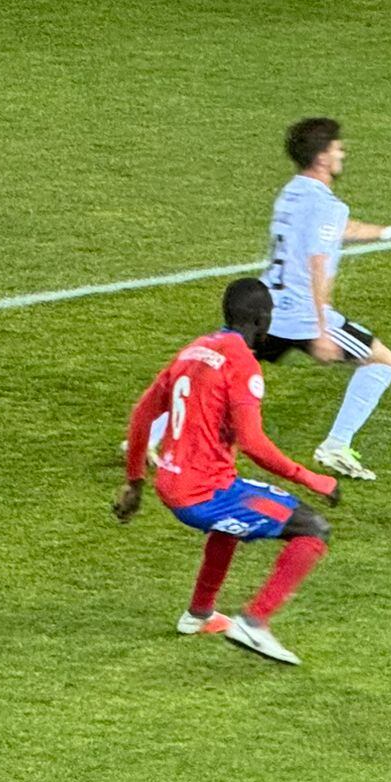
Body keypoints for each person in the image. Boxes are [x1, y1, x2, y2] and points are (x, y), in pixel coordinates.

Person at [115, 278, 341, 667]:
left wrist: (135, 484)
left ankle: (199, 614)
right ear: (261, 320)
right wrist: (313, 478)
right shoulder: (242, 363)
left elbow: (141, 415)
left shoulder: (192, 351)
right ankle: (255, 622)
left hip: (172, 482)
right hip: (205, 491)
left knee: (232, 517)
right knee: (313, 528)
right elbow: (254, 444)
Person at [259, 118, 391, 479]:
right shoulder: (326, 205)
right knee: (382, 362)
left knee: (214, 363)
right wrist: (321, 330)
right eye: (337, 147)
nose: (342, 153)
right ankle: (336, 445)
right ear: (322, 157)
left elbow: (339, 230)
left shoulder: (292, 192)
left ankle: (155, 436)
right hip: (301, 316)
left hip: (263, 309)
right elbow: (319, 264)